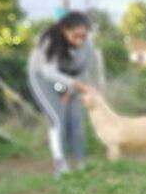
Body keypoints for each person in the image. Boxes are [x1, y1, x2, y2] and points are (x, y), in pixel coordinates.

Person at [28, 11, 104, 178]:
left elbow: (80, 72)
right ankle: (60, 164)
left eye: (83, 35)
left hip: (70, 81)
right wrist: (76, 86)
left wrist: (69, 92)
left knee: (76, 119)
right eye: (75, 35)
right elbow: (49, 72)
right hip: (43, 78)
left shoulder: (86, 46)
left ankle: (80, 162)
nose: (80, 40)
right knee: (57, 117)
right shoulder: (49, 41)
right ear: (64, 30)